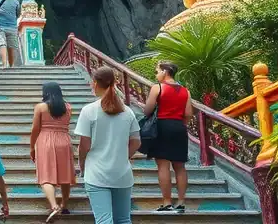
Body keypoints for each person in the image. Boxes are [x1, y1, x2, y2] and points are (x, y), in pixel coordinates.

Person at [76, 66, 141, 224]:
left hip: (97, 174)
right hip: (122, 174)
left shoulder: (89, 111)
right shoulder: (127, 111)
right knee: (123, 219)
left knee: (104, 220)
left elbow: (84, 145)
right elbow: (137, 141)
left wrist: (82, 166)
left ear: (96, 84)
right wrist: (123, 156)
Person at [143, 61, 193, 214]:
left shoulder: (157, 88)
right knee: (180, 166)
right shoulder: (186, 91)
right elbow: (188, 114)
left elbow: (147, 110)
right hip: (179, 128)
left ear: (165, 71)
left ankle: (167, 202)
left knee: (163, 166)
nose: (156, 74)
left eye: (157, 71)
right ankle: (181, 202)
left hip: (162, 127)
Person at [30, 82, 75, 221]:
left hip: (46, 140)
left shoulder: (41, 107)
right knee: (65, 174)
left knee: (46, 175)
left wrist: (32, 147)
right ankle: (64, 205)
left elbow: (35, 129)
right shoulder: (68, 107)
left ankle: (54, 205)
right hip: (64, 140)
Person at [0, 0, 22, 69]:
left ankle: (4, 64)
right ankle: (11, 65)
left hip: (0, 26)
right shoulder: (16, 2)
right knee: (11, 47)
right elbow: (18, 14)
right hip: (12, 26)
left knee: (2, 45)